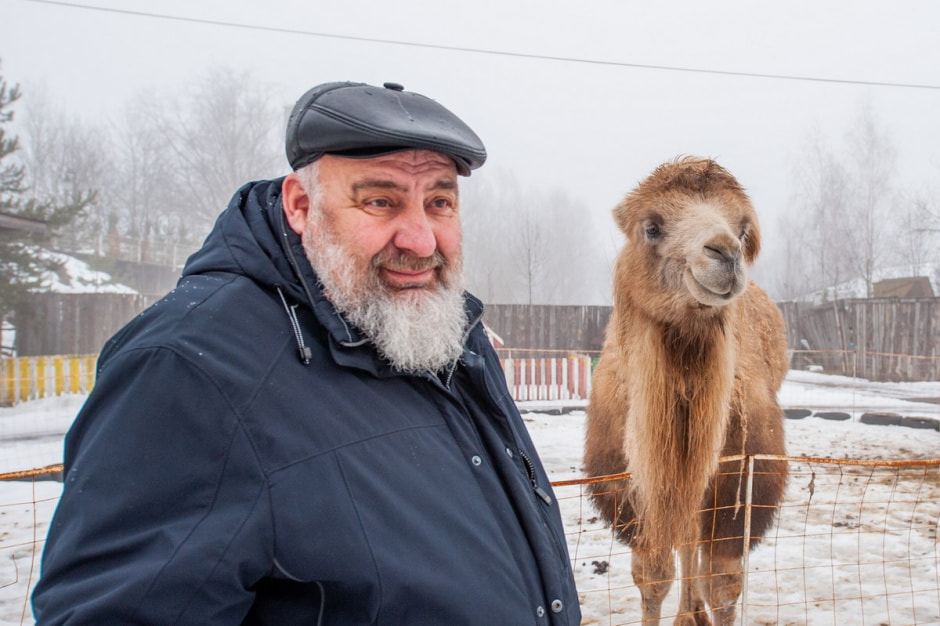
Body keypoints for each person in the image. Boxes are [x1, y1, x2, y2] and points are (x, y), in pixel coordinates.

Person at [32, 81, 581, 625]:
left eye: (439, 202)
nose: (420, 239)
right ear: (300, 205)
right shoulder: (190, 370)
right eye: (380, 201)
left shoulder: (445, 334)